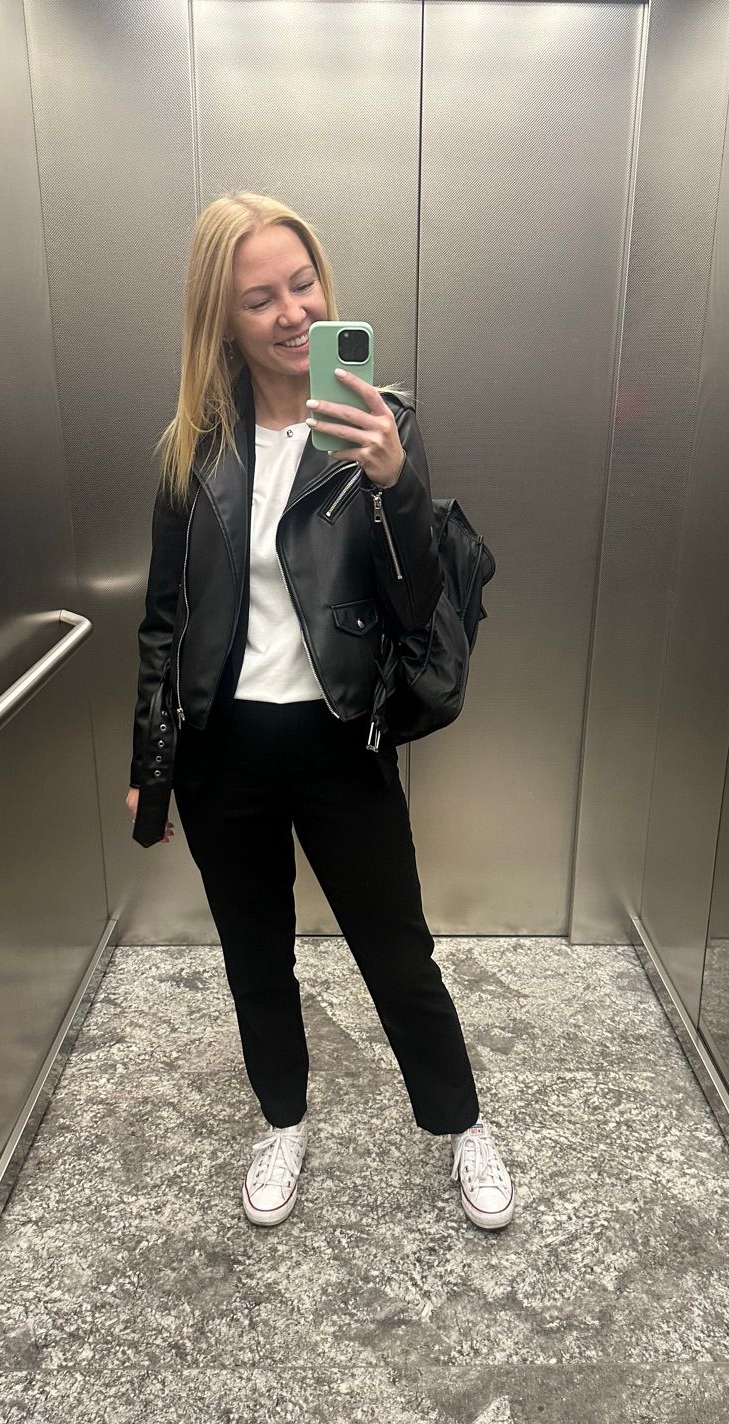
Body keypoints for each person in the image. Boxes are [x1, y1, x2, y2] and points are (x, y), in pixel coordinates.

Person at [126, 192, 514, 1231]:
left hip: (341, 737)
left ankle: (462, 1123)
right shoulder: (195, 447)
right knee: (256, 958)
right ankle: (282, 1121)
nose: (293, 312)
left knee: (397, 952)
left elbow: (417, 602)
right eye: (260, 298)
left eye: (303, 285)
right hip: (223, 752)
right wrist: (151, 766)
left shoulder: (382, 421)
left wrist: (393, 484)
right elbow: (162, 621)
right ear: (222, 319)